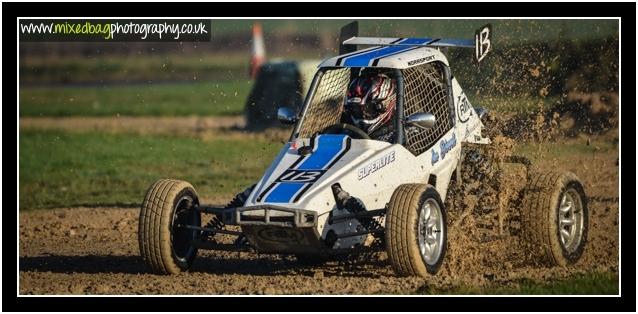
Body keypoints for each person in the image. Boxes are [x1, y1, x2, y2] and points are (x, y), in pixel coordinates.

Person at [342, 72, 397, 142]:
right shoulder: (344, 130)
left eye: (367, 109)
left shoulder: (396, 137)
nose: (362, 115)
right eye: (355, 108)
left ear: (385, 105)